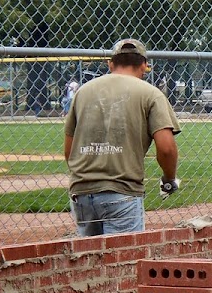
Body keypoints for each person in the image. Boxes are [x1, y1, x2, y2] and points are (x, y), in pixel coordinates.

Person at [64, 38, 182, 236]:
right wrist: (169, 179)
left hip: (81, 191)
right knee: (123, 260)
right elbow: (167, 148)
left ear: (110, 64)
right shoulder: (151, 94)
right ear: (144, 65)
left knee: (88, 259)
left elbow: (70, 150)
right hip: (122, 191)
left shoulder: (83, 92)